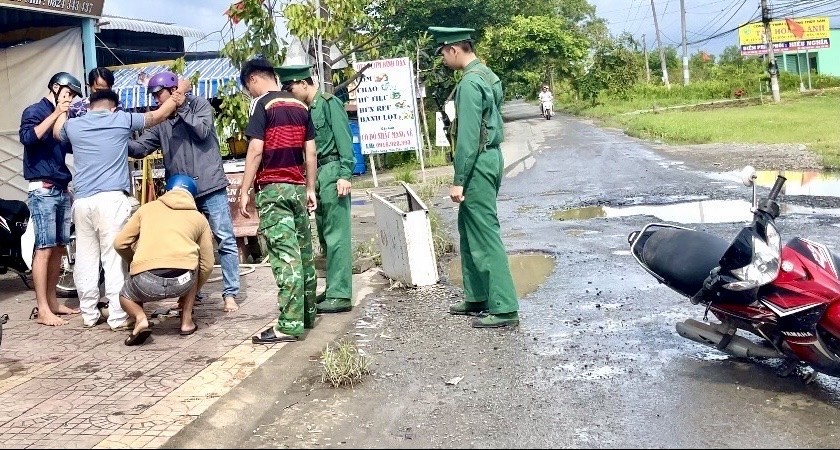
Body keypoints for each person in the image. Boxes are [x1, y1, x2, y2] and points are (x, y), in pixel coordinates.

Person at [53, 89, 181, 330]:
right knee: (113, 261)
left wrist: (62, 107)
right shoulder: (120, 119)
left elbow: (56, 132)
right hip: (111, 200)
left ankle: (89, 314)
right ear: (113, 107)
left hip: (82, 203)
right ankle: (117, 317)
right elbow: (158, 115)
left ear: (90, 106)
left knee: (86, 259)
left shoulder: (75, 125)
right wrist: (179, 92)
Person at [428, 26, 519, 328]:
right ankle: (477, 295)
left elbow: (467, 137)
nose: (442, 58)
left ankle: (504, 307)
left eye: (442, 52)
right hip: (490, 157)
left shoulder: (469, 84)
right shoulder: (487, 75)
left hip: (477, 162)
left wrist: (459, 179)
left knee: (484, 231)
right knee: (468, 228)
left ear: (454, 49)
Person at [128, 71, 241, 313]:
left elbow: (202, 131)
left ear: (172, 90)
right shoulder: (161, 122)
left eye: (159, 94)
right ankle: (192, 294)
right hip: (181, 195)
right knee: (186, 244)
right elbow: (139, 148)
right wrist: (115, 133)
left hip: (210, 185)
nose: (157, 99)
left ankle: (230, 293)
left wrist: (181, 109)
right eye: (154, 96)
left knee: (225, 239)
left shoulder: (199, 104)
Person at [238, 56, 318, 344]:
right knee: (303, 253)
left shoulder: (263, 105)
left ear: (253, 79)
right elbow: (311, 152)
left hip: (273, 190)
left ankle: (289, 324)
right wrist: (310, 188)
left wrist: (245, 189)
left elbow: (256, 150)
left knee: (285, 256)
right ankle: (307, 315)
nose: (251, 93)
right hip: (298, 189)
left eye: (249, 88)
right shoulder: (300, 106)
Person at [281, 65, 354, 314]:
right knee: (325, 235)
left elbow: (344, 139)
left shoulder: (329, 102)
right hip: (319, 174)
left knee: (337, 237)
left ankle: (341, 294)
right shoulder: (307, 110)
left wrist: (345, 174)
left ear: (303, 83)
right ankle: (333, 288)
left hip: (334, 170)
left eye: (290, 88)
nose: (289, 93)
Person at [114, 175, 215, 346]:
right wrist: (194, 288)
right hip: (183, 281)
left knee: (125, 296)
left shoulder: (146, 209)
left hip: (144, 282)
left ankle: (140, 318)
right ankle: (186, 322)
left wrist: (135, 263)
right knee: (195, 264)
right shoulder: (199, 218)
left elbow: (119, 243)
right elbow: (208, 264)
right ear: (192, 196)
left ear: (166, 191)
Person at [18, 72, 83, 326]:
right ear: (55, 88)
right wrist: (57, 113)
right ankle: (42, 309)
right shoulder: (34, 110)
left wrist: (67, 116)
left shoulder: (66, 115)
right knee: (43, 248)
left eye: (74, 96)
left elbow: (68, 143)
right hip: (42, 188)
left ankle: (54, 302)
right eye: (69, 93)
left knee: (58, 248)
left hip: (61, 187)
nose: (71, 99)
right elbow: (28, 138)